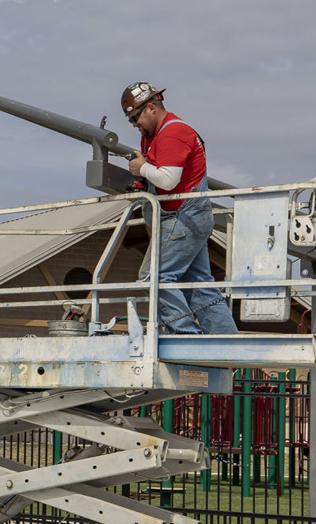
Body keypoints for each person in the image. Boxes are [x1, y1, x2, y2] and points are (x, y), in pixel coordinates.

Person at [121, 82, 238, 335]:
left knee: (154, 277)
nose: (134, 125)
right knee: (199, 284)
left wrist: (141, 168)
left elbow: (168, 180)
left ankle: (186, 334)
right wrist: (143, 176)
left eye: (134, 118)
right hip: (188, 216)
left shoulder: (174, 133)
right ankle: (226, 340)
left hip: (183, 216)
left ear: (151, 107)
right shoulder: (152, 137)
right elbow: (160, 174)